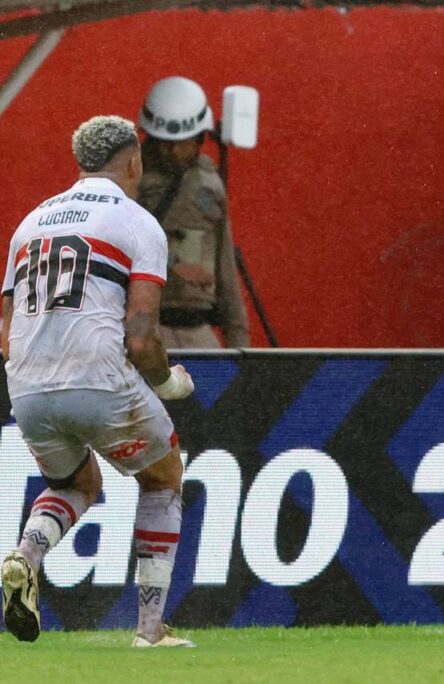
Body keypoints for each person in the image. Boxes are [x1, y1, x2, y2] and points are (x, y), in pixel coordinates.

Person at [1, 115, 196, 647]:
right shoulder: (137, 223)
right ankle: (151, 630)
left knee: (75, 484)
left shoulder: (30, 223)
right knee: (162, 476)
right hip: (99, 377)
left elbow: (5, 332)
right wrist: (166, 384)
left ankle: (25, 556)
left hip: (27, 386)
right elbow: (140, 334)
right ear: (133, 161)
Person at [137, 76, 250, 348]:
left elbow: (225, 270)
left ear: (200, 136)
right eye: (165, 142)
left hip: (197, 328)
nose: (174, 151)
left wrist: (241, 344)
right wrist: (175, 266)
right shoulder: (129, 179)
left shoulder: (208, 184)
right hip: (143, 324)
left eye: (183, 142)